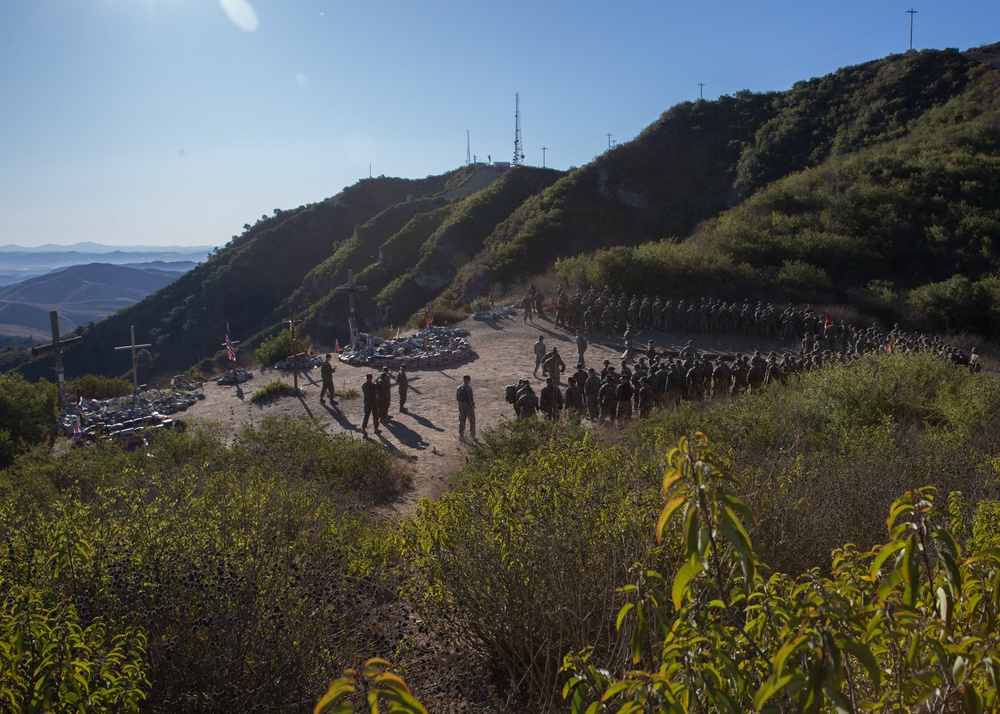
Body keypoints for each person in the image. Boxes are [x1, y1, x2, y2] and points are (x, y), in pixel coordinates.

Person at [456, 374, 476, 440]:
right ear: (468, 380)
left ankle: (461, 435)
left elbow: (457, 398)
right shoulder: (468, 387)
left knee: (462, 421)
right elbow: (470, 397)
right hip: (468, 407)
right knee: (472, 421)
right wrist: (472, 406)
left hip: (461, 407)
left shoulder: (458, 387)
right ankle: (472, 435)